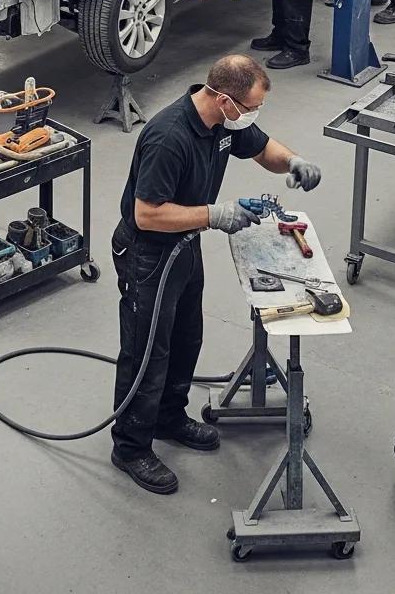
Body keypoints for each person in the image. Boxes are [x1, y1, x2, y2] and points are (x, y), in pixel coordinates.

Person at [111, 54, 322, 495]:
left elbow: (262, 148)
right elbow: (147, 214)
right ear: (225, 100)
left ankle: (168, 418)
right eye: (250, 108)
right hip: (148, 254)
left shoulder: (226, 123)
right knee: (147, 352)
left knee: (186, 339)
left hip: (185, 245)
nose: (253, 115)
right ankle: (130, 447)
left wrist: (293, 161)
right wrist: (215, 214)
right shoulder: (169, 137)